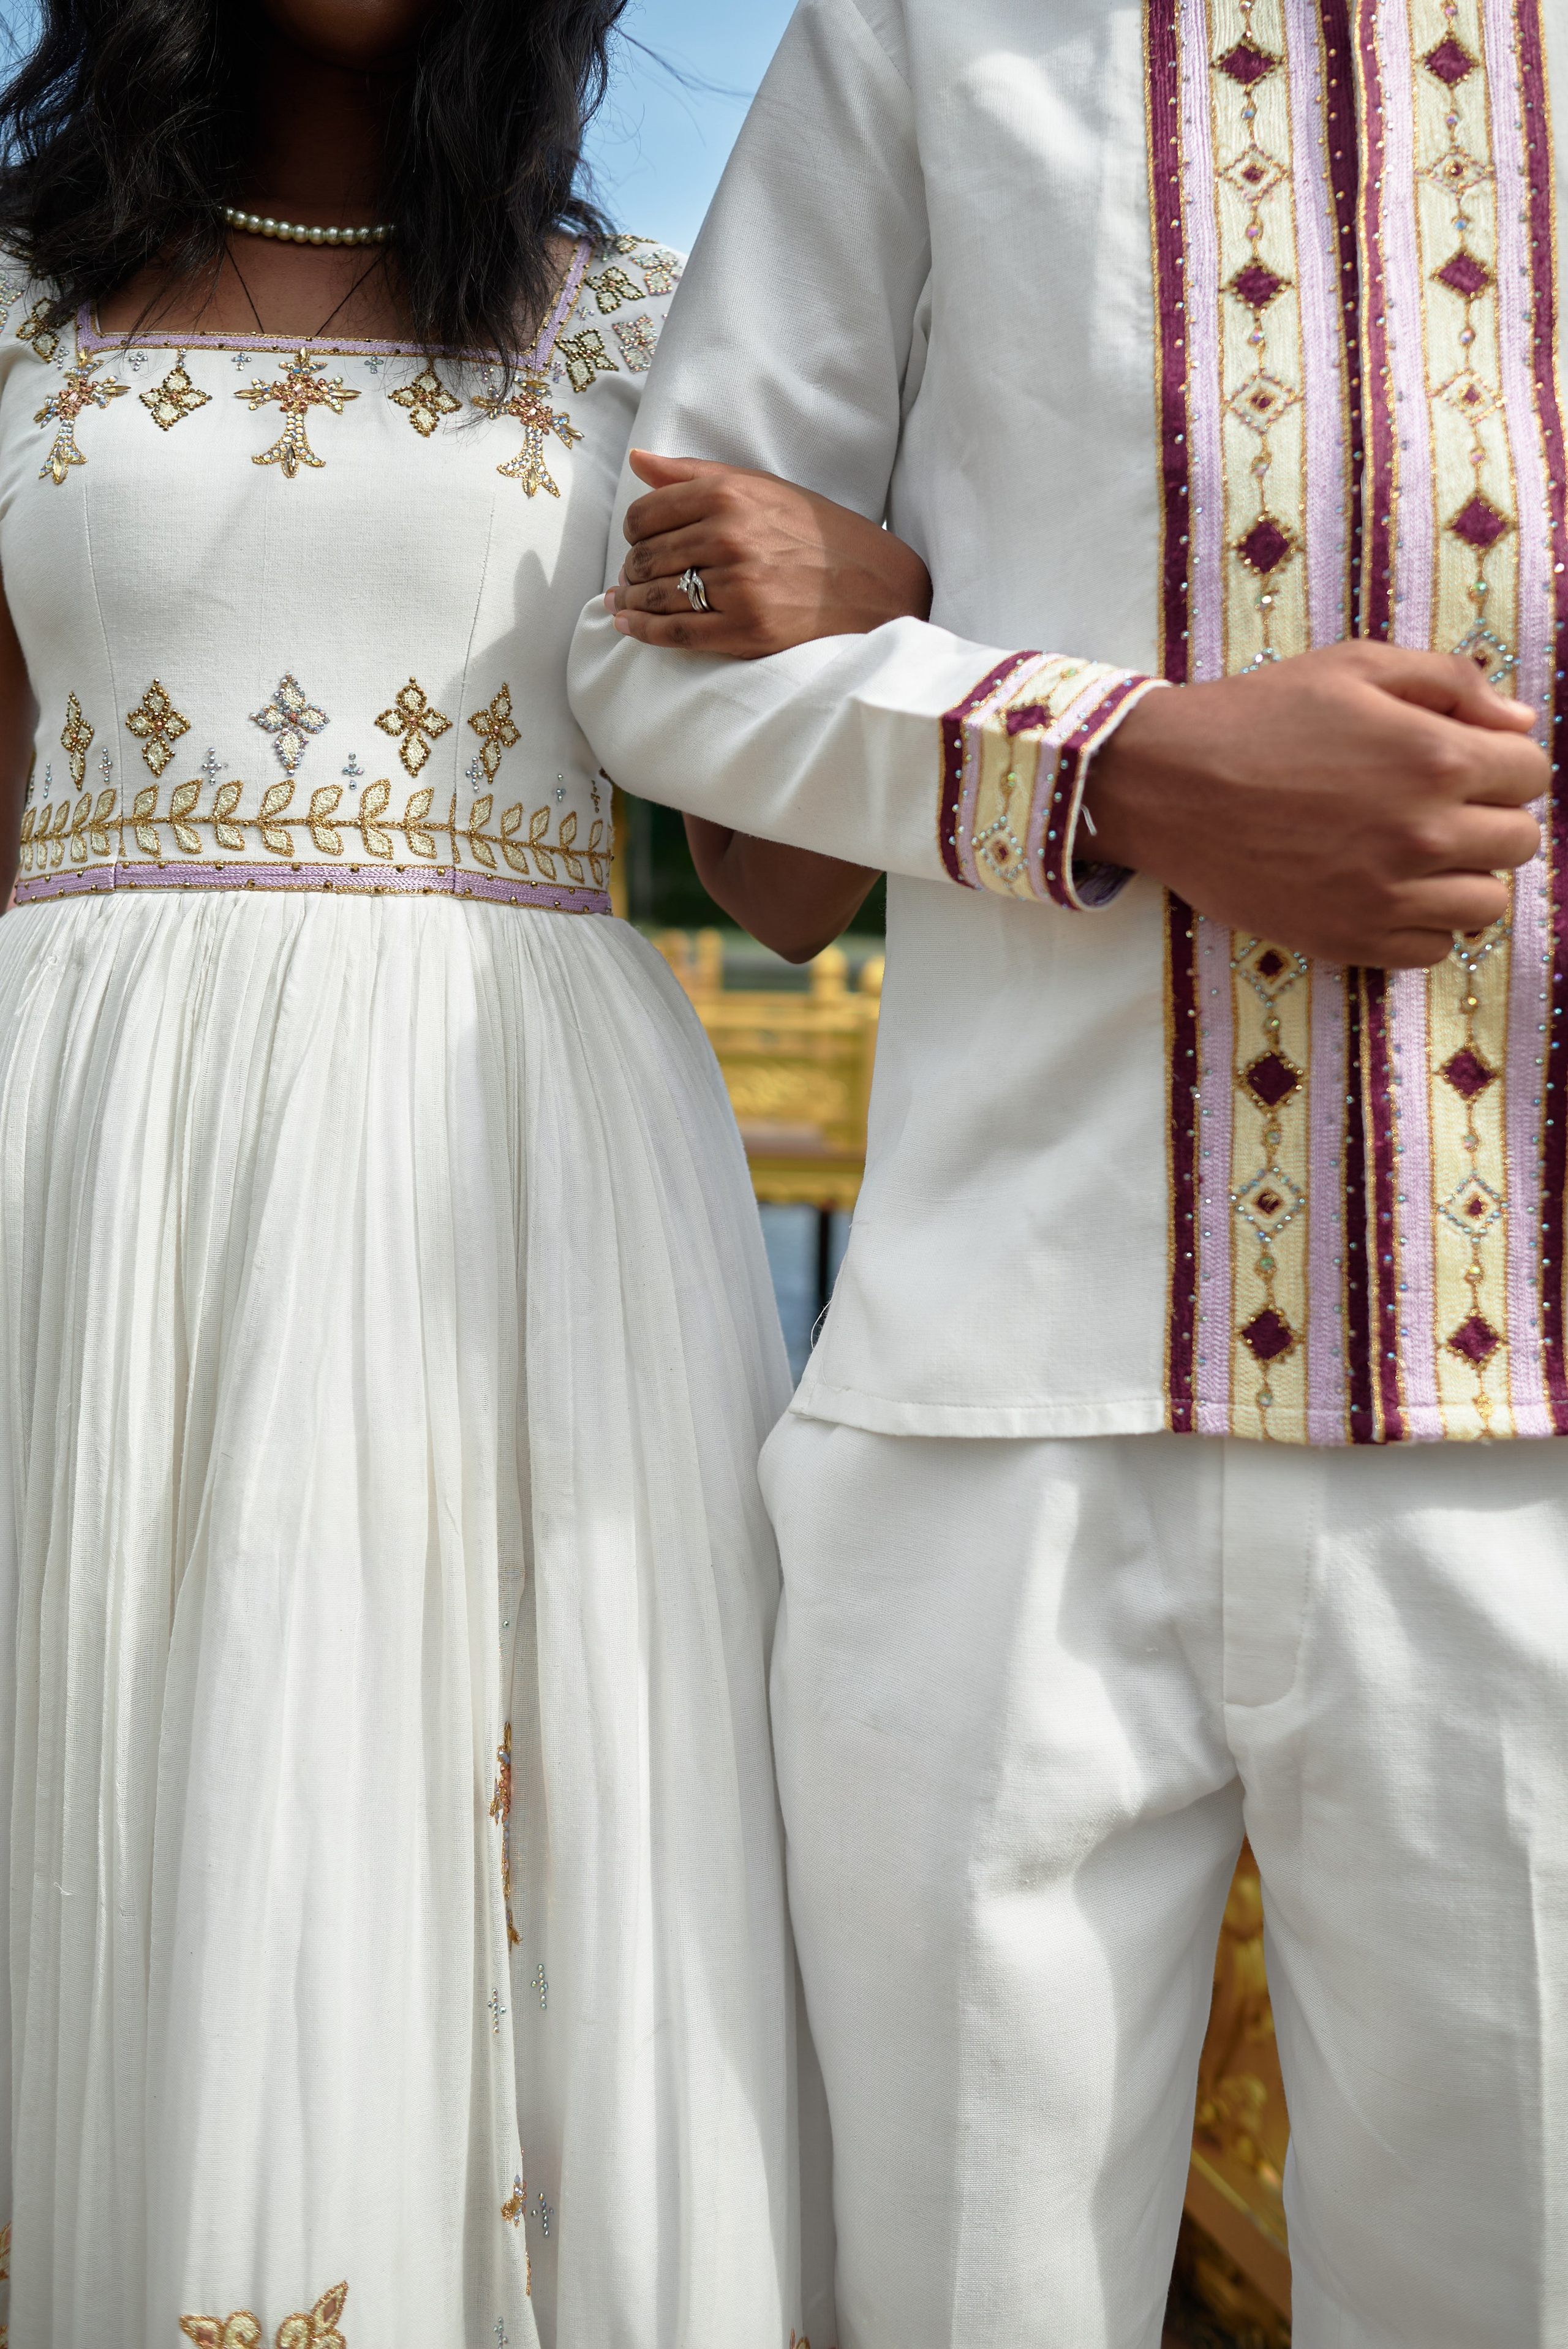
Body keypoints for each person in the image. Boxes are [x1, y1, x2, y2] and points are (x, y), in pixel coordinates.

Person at [572, 4, 1568, 2344]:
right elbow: (654, 651)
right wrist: (1118, 763)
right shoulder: (931, 28)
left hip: (1528, 1441)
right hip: (993, 1423)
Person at [0, 1, 925, 2339]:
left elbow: (785, 885)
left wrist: (879, 593)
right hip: (85, 1166)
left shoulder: (648, 327)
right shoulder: (13, 304)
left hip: (504, 1181)